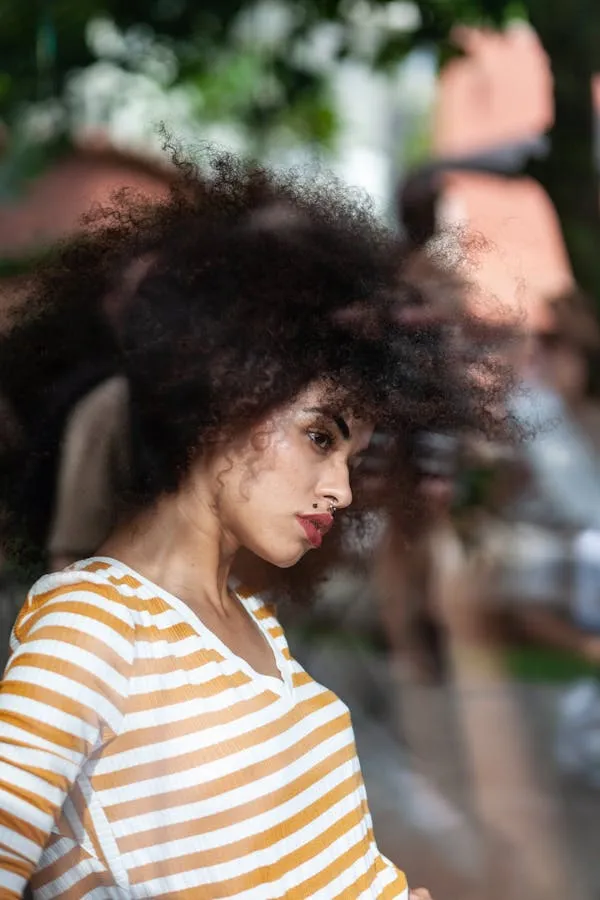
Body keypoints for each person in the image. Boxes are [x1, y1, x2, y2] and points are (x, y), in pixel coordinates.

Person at [0, 148, 503, 899]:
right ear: (227, 395)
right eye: (320, 436)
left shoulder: (252, 621)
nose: (339, 490)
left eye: (353, 456)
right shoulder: (92, 630)